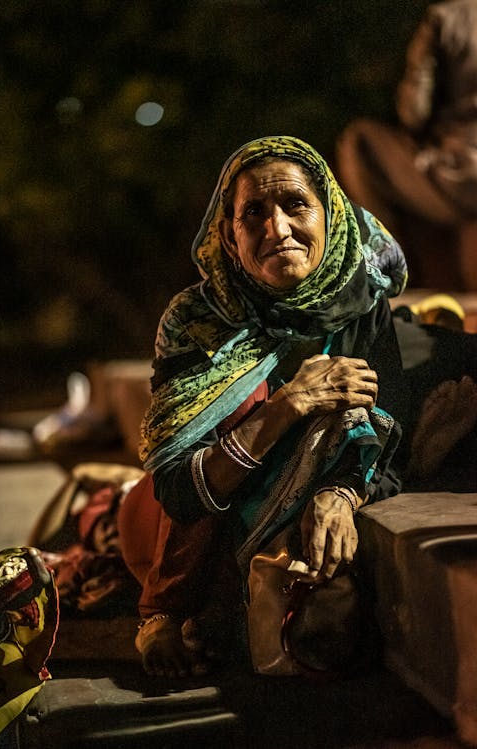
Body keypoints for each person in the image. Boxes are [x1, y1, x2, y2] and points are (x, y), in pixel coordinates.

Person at [117, 134, 412, 679]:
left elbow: (390, 431)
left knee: (348, 412)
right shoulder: (196, 325)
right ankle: (114, 525)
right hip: (168, 533)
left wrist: (341, 492)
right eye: (253, 213)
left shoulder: (360, 301)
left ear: (331, 216)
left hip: (264, 536)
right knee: (237, 408)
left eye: (296, 204)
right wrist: (288, 404)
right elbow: (180, 492)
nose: (277, 229)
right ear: (230, 239)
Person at [336, 0, 477, 289]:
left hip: (467, 177)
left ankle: (387, 273)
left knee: (359, 142)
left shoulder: (448, 16)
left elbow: (414, 112)